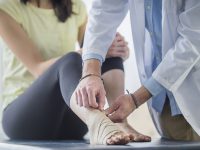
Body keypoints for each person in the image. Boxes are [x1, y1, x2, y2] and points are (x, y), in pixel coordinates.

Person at [0, 0, 151, 145]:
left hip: (71, 118)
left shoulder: (75, 6)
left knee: (105, 49)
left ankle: (118, 121)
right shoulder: (6, 8)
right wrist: (86, 52)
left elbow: (95, 48)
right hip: (26, 118)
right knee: (74, 58)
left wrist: (119, 51)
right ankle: (99, 123)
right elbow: (37, 68)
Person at [75, 0, 200, 141]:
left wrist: (136, 98)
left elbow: (193, 41)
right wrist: (90, 73)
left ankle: (115, 125)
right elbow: (104, 10)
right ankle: (106, 125)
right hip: (163, 96)